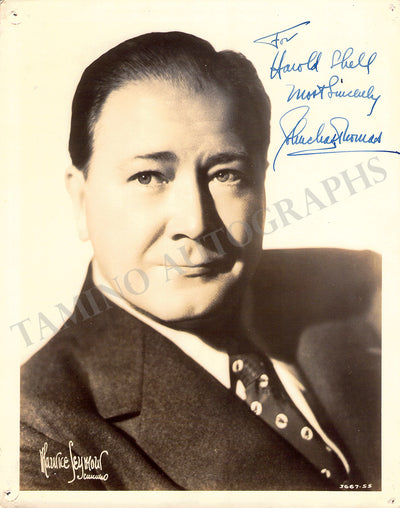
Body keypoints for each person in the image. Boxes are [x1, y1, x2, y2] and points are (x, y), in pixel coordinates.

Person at [20, 31, 381, 491]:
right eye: (148, 176)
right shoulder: (36, 431)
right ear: (80, 198)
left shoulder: (364, 285)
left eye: (226, 174)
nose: (195, 223)